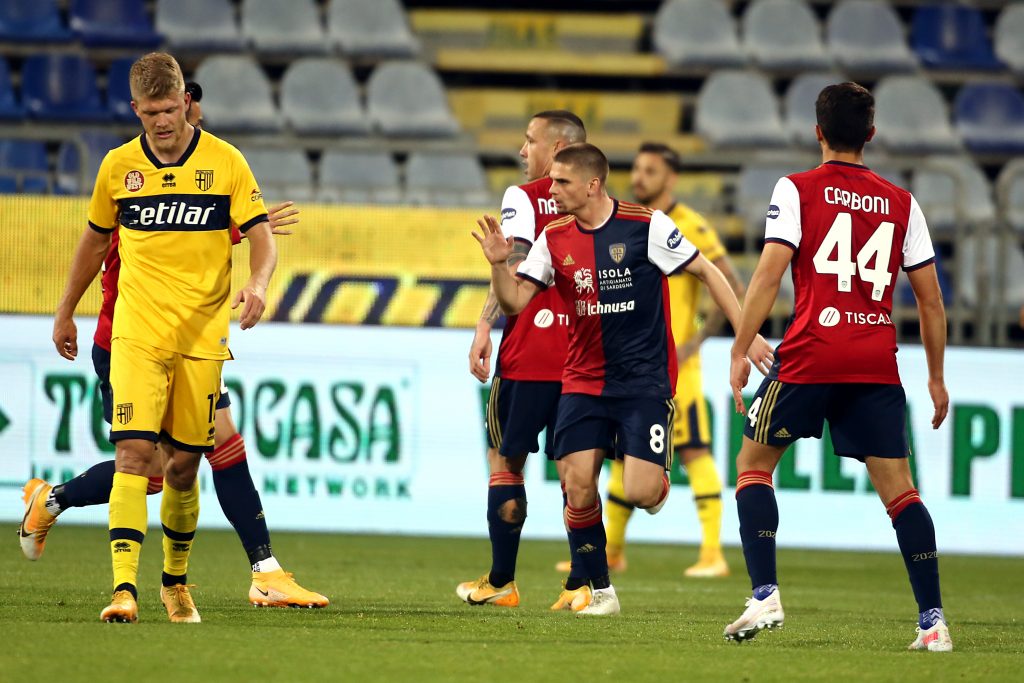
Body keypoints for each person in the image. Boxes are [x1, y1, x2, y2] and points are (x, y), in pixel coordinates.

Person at [20, 80, 326, 611]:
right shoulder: (125, 176)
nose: (178, 124)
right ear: (141, 110)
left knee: (192, 460)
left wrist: (247, 239)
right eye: (158, 113)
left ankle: (256, 571)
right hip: (128, 335)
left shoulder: (213, 164)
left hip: (195, 338)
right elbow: (133, 241)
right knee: (152, 467)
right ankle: (59, 505)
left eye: (184, 112)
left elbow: (193, 229)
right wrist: (64, 310)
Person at [474, 143, 773, 615]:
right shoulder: (553, 237)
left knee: (639, 491)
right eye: (551, 181)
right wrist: (497, 264)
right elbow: (515, 303)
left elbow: (707, 271)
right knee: (576, 483)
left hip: (642, 384)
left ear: (592, 185)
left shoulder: (646, 225)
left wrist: (745, 336)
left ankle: (656, 481)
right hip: (582, 380)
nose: (551, 191)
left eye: (562, 182)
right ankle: (602, 591)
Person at [723, 82, 952, 652]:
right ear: (871, 134)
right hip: (875, 359)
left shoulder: (797, 188)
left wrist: (738, 348)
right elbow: (930, 300)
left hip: (811, 353)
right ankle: (933, 621)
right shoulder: (903, 202)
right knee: (901, 492)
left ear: (816, 130)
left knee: (753, 467)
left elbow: (768, 275)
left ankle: (765, 594)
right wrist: (937, 376)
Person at [555, 143, 744, 578]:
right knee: (619, 460)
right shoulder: (621, 225)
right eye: (636, 169)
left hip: (669, 366)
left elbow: (729, 281)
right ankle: (612, 551)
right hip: (617, 366)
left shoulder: (686, 224)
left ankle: (713, 552)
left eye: (650, 171)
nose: (639, 178)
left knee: (694, 450)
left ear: (671, 178)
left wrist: (696, 341)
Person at [456, 111, 593, 611]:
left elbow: (512, 262)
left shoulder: (523, 197)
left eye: (529, 141)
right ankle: (582, 585)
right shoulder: (605, 205)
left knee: (506, 462)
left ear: (557, 147)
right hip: (584, 359)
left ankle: (501, 581)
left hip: (530, 354)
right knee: (579, 474)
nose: (522, 151)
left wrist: (484, 324)